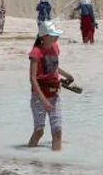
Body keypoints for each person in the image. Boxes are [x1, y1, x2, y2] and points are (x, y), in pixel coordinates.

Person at [28, 20, 73, 152]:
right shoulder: (36, 52)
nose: (56, 37)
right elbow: (32, 78)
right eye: (53, 35)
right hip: (39, 97)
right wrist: (43, 100)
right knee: (39, 131)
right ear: (44, 36)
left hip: (55, 95)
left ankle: (56, 162)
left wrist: (68, 75)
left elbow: (53, 66)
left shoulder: (55, 47)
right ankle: (30, 158)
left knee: (57, 131)